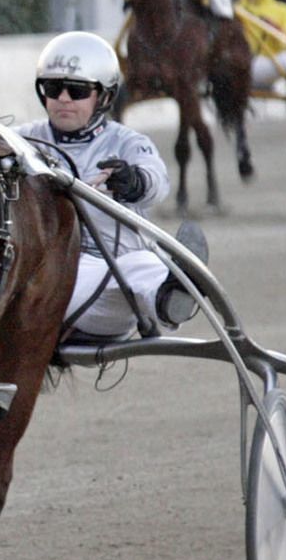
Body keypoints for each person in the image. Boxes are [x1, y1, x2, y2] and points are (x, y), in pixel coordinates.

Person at [16, 31, 205, 340]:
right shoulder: (20, 140)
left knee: (143, 262)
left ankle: (169, 297)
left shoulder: (126, 142)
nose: (63, 98)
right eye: (53, 88)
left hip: (118, 284)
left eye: (76, 91)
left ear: (103, 96)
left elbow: (157, 182)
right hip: (53, 277)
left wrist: (133, 181)